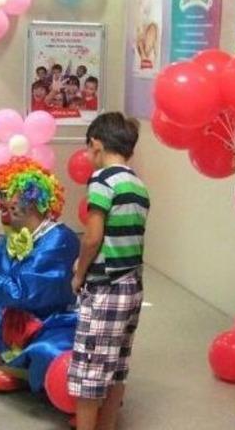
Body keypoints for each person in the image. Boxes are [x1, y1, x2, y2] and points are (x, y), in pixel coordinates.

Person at [0, 157, 80, 396]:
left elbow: (17, 293)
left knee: (47, 351)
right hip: (21, 320)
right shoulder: (14, 237)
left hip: (54, 323)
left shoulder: (59, 240)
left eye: (6, 193)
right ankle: (22, 377)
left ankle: (72, 394)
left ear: (31, 199)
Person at [69, 112, 150, 430]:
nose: (89, 158)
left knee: (89, 370)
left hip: (105, 286)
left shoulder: (102, 180)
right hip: (132, 284)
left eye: (89, 151)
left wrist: (78, 274)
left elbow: (92, 237)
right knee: (117, 365)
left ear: (96, 145)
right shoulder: (138, 184)